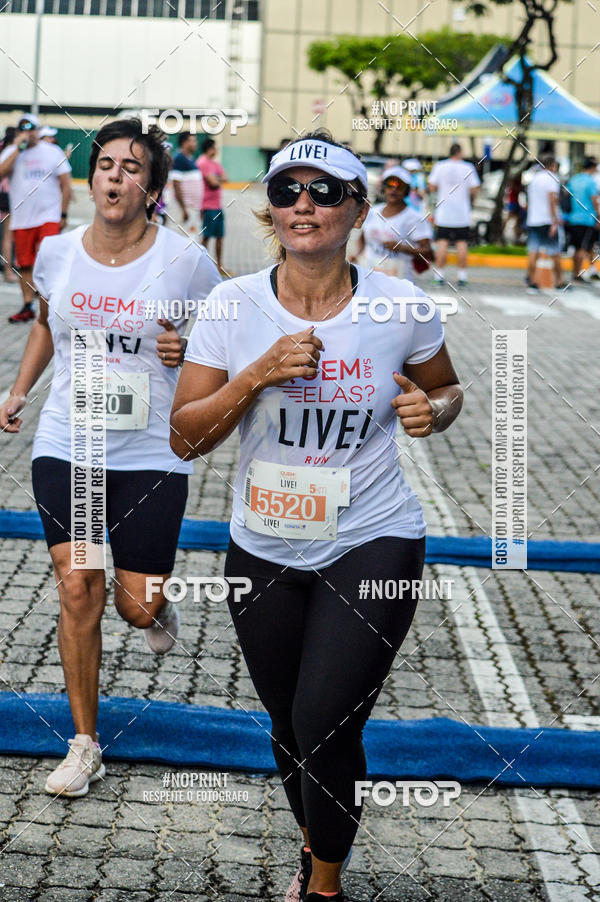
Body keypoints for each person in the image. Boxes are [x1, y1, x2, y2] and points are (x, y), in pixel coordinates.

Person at [170, 130, 463, 902]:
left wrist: (433, 409)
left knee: (326, 720)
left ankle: (324, 885)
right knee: (289, 727)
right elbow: (186, 436)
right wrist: (259, 374)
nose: (305, 205)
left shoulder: (401, 303)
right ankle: (316, 845)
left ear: (358, 210)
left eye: (326, 191)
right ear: (270, 210)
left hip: (373, 539)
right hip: (262, 545)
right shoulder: (231, 307)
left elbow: (448, 389)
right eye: (288, 191)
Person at [0, 118, 221, 798]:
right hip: (71, 442)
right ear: (91, 178)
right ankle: (84, 743)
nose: (115, 176)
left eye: (132, 168)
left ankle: (156, 611)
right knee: (77, 585)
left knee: (133, 604)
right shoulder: (60, 254)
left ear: (152, 187)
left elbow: (224, 333)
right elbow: (45, 323)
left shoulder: (184, 261)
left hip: (152, 451)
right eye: (105, 166)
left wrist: (187, 353)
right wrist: (16, 391)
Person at [0, 113, 72, 322]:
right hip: (23, 218)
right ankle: (27, 304)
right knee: (25, 264)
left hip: (48, 215)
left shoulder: (52, 151)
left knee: (47, 256)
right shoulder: (12, 152)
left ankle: (50, 303)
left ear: (38, 131)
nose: (28, 134)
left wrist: (64, 213)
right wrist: (18, 149)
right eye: (24, 130)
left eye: (32, 130)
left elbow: (66, 184)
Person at [350, 165, 433, 279]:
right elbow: (362, 239)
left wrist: (402, 248)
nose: (394, 189)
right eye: (390, 184)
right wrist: (356, 254)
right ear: (384, 188)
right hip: (369, 277)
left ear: (406, 190)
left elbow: (428, 253)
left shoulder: (415, 219)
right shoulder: (372, 212)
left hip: (399, 280)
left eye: (400, 186)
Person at [427, 142, 480, 288]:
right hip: (461, 213)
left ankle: (439, 276)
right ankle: (462, 277)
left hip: (444, 212)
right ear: (460, 152)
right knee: (462, 244)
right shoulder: (468, 167)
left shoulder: (440, 166)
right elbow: (475, 189)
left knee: (442, 243)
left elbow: (431, 186)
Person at [525, 154, 567, 293]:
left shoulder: (534, 178)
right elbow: (551, 199)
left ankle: (531, 280)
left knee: (533, 251)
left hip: (533, 219)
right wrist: (555, 219)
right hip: (547, 220)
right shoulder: (552, 178)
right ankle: (559, 281)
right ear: (553, 165)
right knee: (554, 252)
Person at [565, 156, 599, 284]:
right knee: (583, 248)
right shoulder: (590, 182)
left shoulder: (574, 179)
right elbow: (594, 200)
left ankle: (575, 272)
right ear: (592, 167)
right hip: (587, 218)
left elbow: (567, 195)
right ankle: (577, 274)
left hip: (573, 218)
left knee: (576, 246)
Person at [196, 137, 228, 274]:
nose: (217, 150)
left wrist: (216, 179)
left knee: (219, 237)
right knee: (206, 237)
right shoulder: (202, 162)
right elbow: (213, 183)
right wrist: (216, 179)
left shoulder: (214, 164)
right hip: (207, 206)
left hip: (217, 206)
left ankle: (219, 266)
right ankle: (201, 266)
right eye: (215, 148)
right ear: (210, 148)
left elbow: (225, 178)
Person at [170, 130, 204, 239]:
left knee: (192, 237)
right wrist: (184, 209)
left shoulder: (190, 159)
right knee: (182, 238)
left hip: (192, 208)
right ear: (184, 143)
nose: (195, 143)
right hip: (184, 209)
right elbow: (176, 184)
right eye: (193, 141)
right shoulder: (179, 159)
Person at [0, 126, 17, 283]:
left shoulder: (4, 148)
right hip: (7, 196)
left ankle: (8, 270)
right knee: (8, 236)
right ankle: (7, 271)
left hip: (5, 195)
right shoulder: (14, 150)